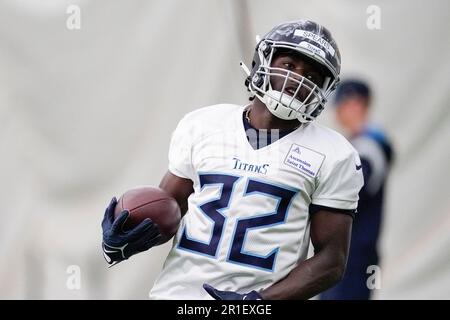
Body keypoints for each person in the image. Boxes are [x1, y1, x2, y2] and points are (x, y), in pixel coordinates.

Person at [101, 20, 364, 300]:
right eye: (289, 66)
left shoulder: (334, 153)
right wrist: (124, 236)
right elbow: (167, 209)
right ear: (264, 61)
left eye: (311, 76)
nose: (297, 80)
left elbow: (332, 259)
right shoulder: (203, 124)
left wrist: (259, 302)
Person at [320, 79, 394, 300]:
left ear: (355, 104)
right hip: (358, 253)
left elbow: (350, 192)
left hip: (353, 255)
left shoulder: (369, 147)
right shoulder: (364, 144)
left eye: (340, 104)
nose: (337, 112)